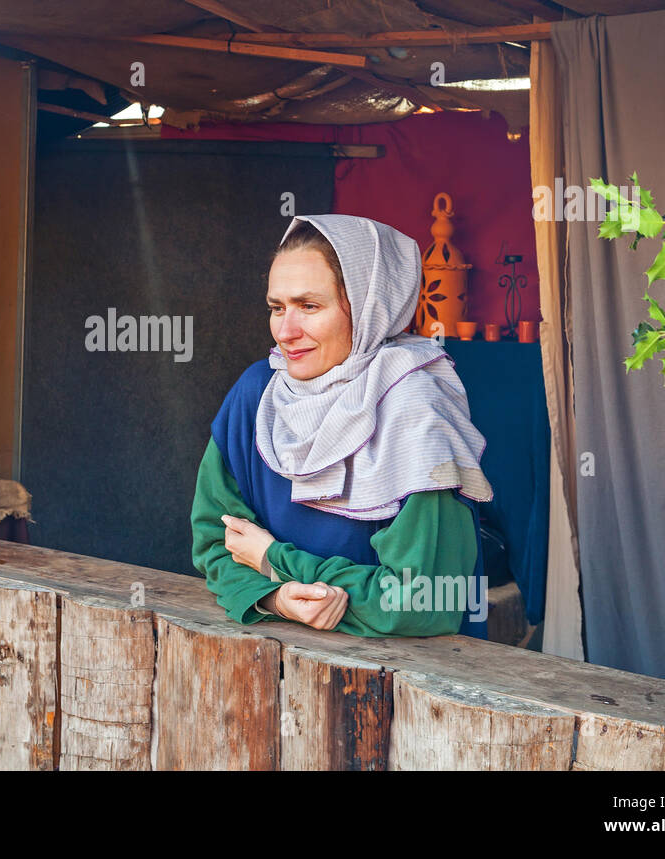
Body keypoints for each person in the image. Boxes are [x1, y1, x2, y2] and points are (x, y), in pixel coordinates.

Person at [190, 214, 494, 638]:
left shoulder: (418, 415)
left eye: (309, 306)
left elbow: (427, 601)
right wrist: (276, 599)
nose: (286, 331)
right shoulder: (256, 395)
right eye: (277, 308)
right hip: (274, 668)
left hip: (413, 688)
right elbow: (214, 542)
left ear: (371, 306)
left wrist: (275, 561)